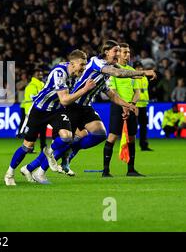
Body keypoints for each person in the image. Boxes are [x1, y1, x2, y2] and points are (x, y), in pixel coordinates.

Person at [62, 40, 156, 177]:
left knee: (112, 136)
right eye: (118, 51)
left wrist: (129, 104)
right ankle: (41, 165)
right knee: (70, 139)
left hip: (95, 106)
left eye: (124, 52)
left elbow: (127, 87)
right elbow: (116, 78)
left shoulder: (124, 70)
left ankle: (130, 169)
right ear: (107, 52)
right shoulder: (103, 65)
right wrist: (145, 72)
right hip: (78, 105)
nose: (121, 54)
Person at [6, 50, 96, 186]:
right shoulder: (59, 73)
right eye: (81, 65)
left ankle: (49, 152)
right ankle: (10, 173)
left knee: (67, 137)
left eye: (85, 64)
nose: (83, 68)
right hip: (39, 110)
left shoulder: (76, 74)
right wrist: (85, 89)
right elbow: (65, 100)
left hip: (55, 110)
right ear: (72, 63)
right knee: (27, 147)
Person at [103, 43, 144, 177]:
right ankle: (106, 170)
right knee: (113, 136)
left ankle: (131, 169)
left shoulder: (131, 70)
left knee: (131, 138)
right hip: (118, 107)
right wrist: (124, 106)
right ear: (119, 53)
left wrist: (132, 104)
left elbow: (137, 92)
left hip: (130, 107)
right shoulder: (113, 70)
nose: (127, 55)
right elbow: (113, 92)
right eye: (125, 52)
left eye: (129, 52)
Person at [17, 68, 46, 150]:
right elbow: (32, 98)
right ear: (34, 76)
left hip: (40, 110)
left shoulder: (41, 84)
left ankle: (41, 146)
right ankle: (29, 146)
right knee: (33, 129)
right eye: (38, 74)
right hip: (32, 110)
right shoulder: (32, 85)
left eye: (41, 74)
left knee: (41, 128)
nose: (41, 75)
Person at [134, 61, 153, 151]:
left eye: (141, 68)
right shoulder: (132, 78)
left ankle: (144, 145)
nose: (140, 69)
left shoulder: (145, 78)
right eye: (137, 68)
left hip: (143, 105)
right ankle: (128, 145)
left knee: (143, 126)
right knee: (132, 127)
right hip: (135, 106)